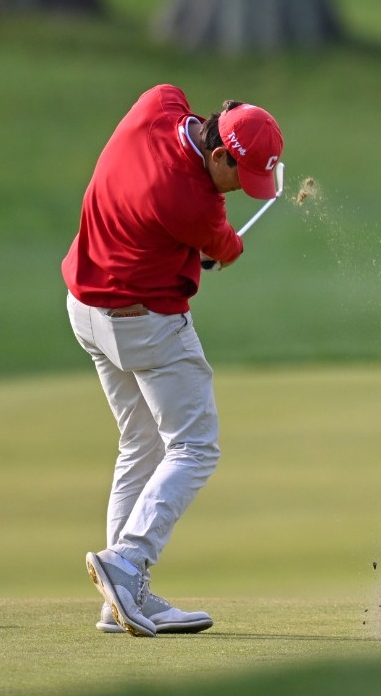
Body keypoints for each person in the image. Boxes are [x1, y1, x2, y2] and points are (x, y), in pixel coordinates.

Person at [62, 84, 283, 637]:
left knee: (140, 443)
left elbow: (170, 114)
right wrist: (228, 249)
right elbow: (222, 246)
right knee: (195, 447)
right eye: (241, 177)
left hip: (85, 307)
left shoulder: (158, 103)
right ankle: (128, 561)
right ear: (219, 155)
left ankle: (120, 598)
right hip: (145, 327)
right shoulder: (194, 204)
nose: (243, 189)